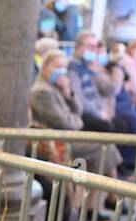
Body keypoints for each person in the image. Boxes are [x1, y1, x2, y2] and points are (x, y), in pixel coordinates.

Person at [30, 50, 121, 178]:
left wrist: (69, 93)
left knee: (107, 145)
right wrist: (79, 121)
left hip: (67, 134)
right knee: (103, 148)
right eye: (57, 67)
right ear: (44, 67)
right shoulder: (42, 91)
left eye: (63, 67)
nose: (61, 71)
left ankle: (108, 193)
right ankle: (111, 193)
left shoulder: (56, 86)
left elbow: (79, 110)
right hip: (54, 140)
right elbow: (63, 122)